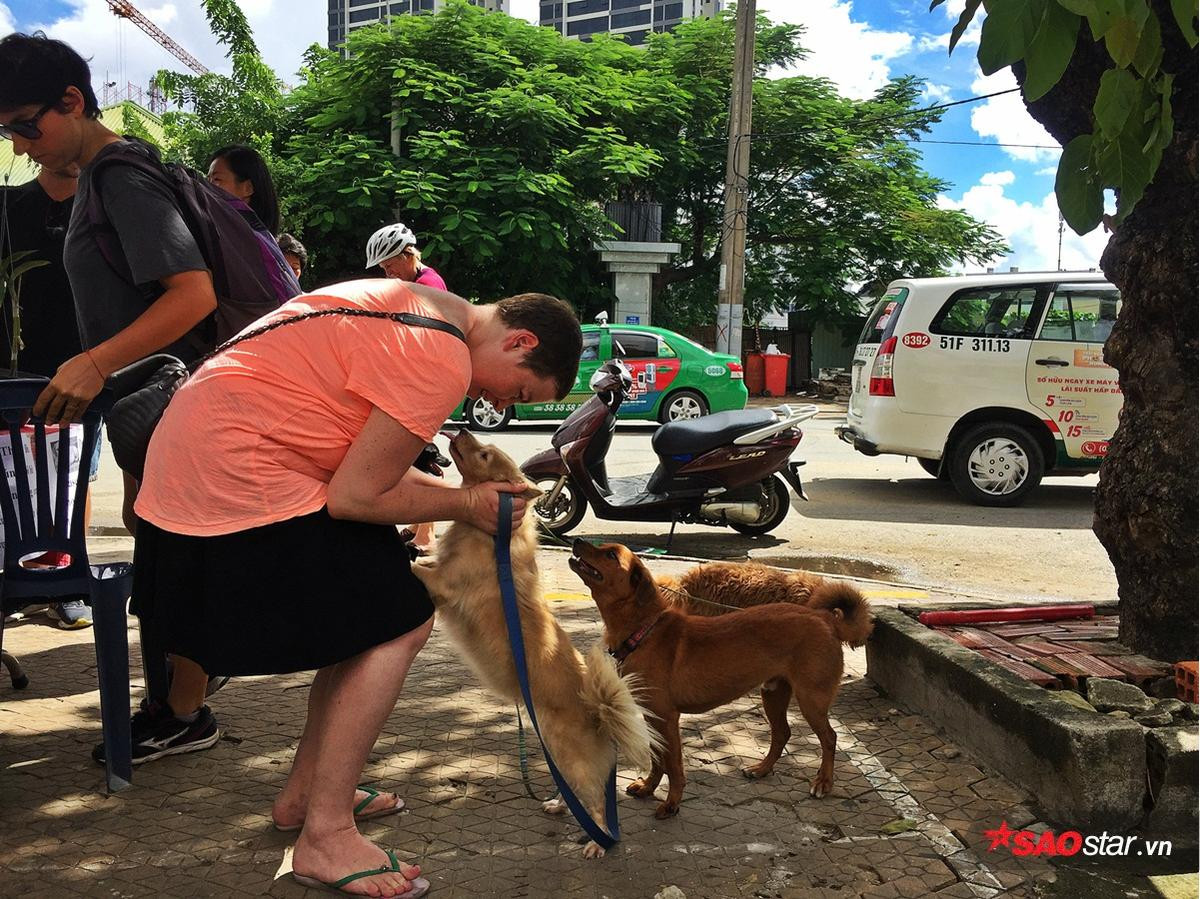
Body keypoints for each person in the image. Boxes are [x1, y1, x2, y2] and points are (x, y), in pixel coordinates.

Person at [132, 280, 581, 895]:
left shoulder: (419, 309)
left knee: (376, 604)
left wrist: (463, 502)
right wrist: (466, 503)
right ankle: (326, 835)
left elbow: (359, 481)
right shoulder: (440, 353)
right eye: (519, 390)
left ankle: (306, 796)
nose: (499, 405)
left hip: (195, 477)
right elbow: (357, 497)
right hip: (228, 495)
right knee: (399, 616)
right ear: (520, 340)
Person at [0, 32, 223, 759]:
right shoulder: (105, 176)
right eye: (7, 133)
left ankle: (183, 710)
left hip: (171, 402)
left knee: (176, 557)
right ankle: (176, 699)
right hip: (152, 406)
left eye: (25, 125)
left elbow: (191, 295)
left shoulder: (119, 175)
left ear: (72, 101)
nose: (22, 146)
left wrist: (94, 363)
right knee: (156, 541)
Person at [0, 162, 95, 628]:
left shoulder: (102, 208)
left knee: (74, 478)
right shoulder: (10, 204)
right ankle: (15, 579)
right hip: (13, 368)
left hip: (83, 368)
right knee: (13, 480)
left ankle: (66, 581)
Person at [206, 144, 280, 235]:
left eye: (217, 179)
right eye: (208, 180)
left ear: (248, 188)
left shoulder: (250, 241)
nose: (207, 186)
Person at [365, 222, 447, 289]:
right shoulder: (415, 281)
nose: (388, 273)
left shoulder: (426, 284)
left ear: (406, 256)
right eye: (384, 268)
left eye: (389, 265)